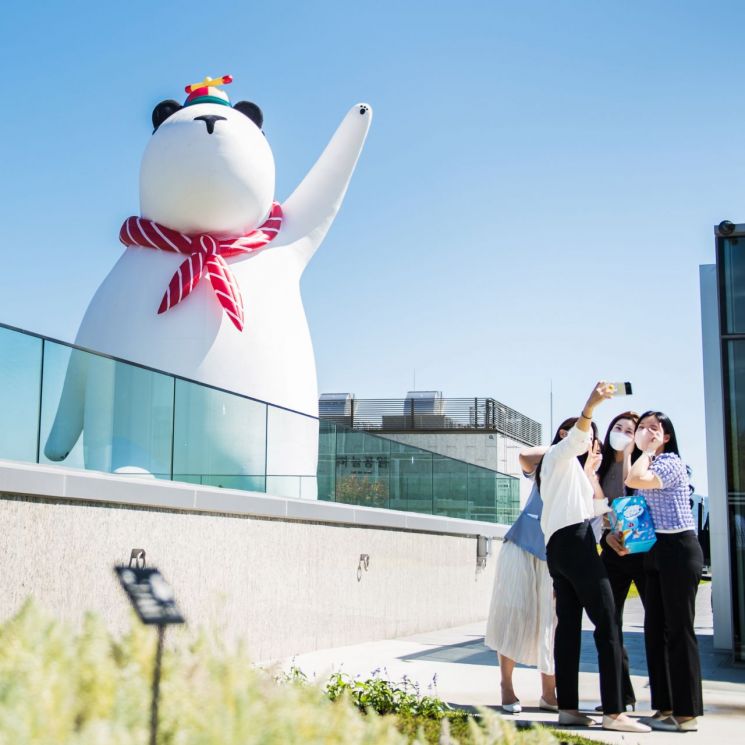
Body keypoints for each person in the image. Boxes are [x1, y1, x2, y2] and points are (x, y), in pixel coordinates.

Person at [538, 382, 650, 734]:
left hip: (560, 548)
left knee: (568, 628)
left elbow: (590, 508)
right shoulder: (558, 456)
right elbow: (576, 439)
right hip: (574, 544)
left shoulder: (569, 475)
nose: (592, 445)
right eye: (591, 439)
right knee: (608, 624)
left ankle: (568, 708)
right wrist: (592, 405)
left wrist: (614, 505)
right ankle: (615, 712)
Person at [622, 410, 704, 732]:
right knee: (655, 629)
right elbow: (632, 490)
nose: (646, 432)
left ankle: (687, 715)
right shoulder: (649, 461)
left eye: (654, 429)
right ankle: (665, 705)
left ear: (666, 436)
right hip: (657, 550)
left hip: (680, 549)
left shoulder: (670, 462)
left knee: (679, 631)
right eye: (642, 427)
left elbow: (633, 480)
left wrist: (644, 449)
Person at [484, 445, 557, 714]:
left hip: (555, 556)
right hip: (522, 545)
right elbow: (524, 458)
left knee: (551, 623)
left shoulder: (585, 472)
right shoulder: (549, 462)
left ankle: (549, 694)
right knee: (513, 614)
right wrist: (563, 445)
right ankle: (507, 685)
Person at [596, 412, 644, 711]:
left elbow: (633, 493)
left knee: (660, 624)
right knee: (609, 624)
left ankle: (667, 699)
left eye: (630, 430)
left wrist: (628, 455)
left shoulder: (640, 462)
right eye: (619, 427)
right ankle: (619, 696)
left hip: (642, 549)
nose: (624, 433)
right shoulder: (599, 464)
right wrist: (607, 536)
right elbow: (600, 505)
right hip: (612, 547)